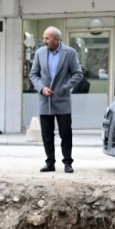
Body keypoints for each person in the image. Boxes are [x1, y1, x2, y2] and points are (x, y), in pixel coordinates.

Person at [28, 26, 84, 173]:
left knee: (66, 133)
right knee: (47, 134)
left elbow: (78, 74)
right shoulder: (40, 53)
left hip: (62, 100)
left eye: (47, 38)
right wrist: (41, 88)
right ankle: (50, 162)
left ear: (56, 39)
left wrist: (65, 88)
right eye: (44, 37)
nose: (44, 41)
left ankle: (67, 163)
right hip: (44, 100)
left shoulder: (69, 53)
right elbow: (33, 75)